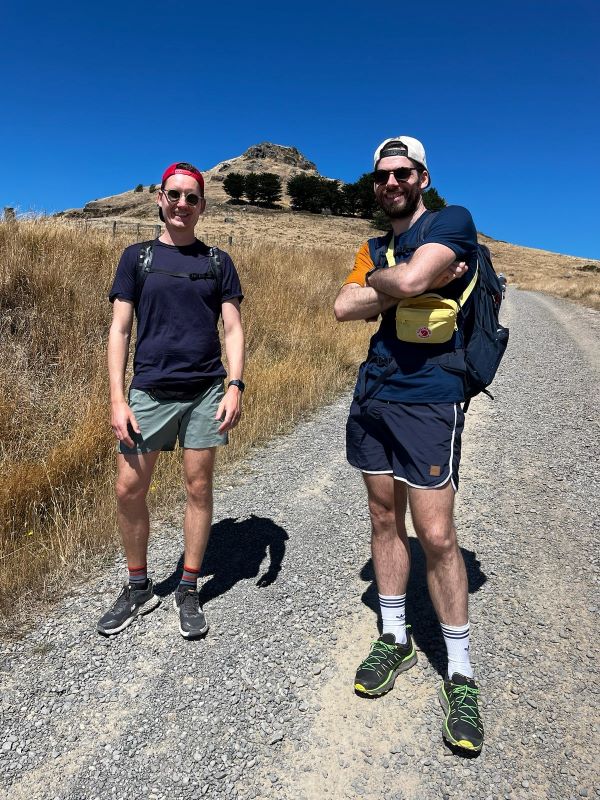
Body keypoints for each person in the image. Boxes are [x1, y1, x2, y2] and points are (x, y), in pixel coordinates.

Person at [334, 137, 484, 752]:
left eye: (403, 173)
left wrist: (397, 283)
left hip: (430, 397)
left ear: (422, 178)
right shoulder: (372, 246)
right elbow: (344, 306)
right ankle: (394, 636)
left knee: (438, 534)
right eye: (382, 175)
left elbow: (420, 274)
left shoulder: (453, 222)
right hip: (376, 394)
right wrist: (399, 281)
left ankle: (461, 671)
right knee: (381, 518)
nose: (392, 182)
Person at [98, 161, 245, 640]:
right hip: (148, 391)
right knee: (128, 489)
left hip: (204, 391)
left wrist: (235, 385)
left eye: (192, 197)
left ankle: (188, 585)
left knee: (198, 488)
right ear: (159, 199)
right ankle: (139, 585)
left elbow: (232, 328)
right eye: (175, 195)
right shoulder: (136, 258)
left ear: (203, 206)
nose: (183, 204)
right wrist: (117, 399)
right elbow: (120, 330)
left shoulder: (217, 262)